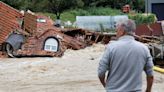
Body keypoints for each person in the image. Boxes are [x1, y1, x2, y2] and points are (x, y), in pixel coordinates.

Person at [98, 19, 154, 92]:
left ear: (122, 31)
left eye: (117, 30)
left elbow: (101, 73)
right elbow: (150, 75)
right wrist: (148, 90)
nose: (116, 33)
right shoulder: (144, 49)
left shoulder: (111, 48)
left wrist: (106, 86)